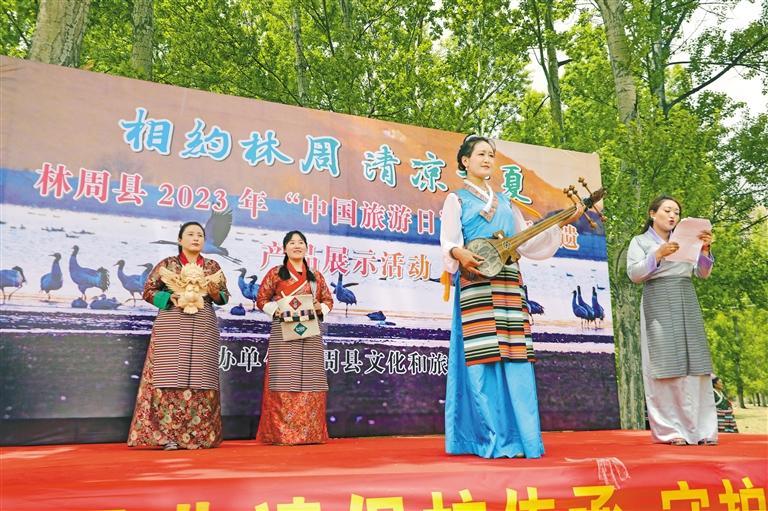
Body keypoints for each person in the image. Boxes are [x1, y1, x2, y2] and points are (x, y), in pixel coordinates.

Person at [439, 134, 584, 458]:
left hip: (508, 282)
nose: (487, 159)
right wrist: (459, 253)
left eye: (491, 155)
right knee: (484, 357)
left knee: (515, 355)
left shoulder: (506, 202)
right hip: (478, 281)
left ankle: (523, 439)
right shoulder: (457, 199)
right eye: (480, 154)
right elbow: (449, 241)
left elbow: (526, 241)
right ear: (465, 161)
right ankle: (489, 438)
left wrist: (562, 222)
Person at [128, 221, 230, 450]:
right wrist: (169, 298)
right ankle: (167, 437)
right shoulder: (167, 264)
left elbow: (224, 297)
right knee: (168, 377)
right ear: (180, 240)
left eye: (200, 235)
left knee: (202, 379)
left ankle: (199, 436)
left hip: (203, 323)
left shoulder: (212, 266)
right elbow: (148, 291)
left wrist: (214, 291)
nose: (196, 238)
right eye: (190, 234)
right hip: (172, 322)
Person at [627, 195, 717, 446]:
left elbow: (702, 274)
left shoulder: (687, 239)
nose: (672, 216)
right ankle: (670, 431)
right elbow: (634, 274)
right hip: (658, 297)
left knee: (696, 364)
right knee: (664, 366)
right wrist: (657, 255)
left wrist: (705, 250)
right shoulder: (640, 242)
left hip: (685, 296)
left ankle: (702, 430)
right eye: (667, 210)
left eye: (676, 212)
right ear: (652, 213)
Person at [255, 230, 334, 445]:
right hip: (283, 331)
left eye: (301, 242)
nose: (297, 246)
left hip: (310, 333)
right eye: (292, 243)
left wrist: (320, 307)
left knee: (311, 379)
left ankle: (311, 433)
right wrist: (277, 310)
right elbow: (261, 299)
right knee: (283, 379)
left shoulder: (316, 276)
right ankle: (281, 434)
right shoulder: (275, 273)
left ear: (306, 248)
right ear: (284, 248)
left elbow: (328, 300)